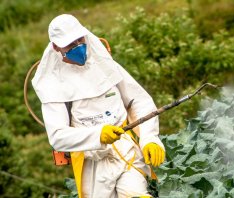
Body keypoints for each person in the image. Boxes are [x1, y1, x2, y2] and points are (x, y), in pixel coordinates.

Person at [31, 14, 165, 198]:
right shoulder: (52, 83)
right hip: (93, 163)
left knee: (136, 194)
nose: (78, 46)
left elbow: (139, 100)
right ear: (56, 47)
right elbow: (57, 136)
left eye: (80, 39)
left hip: (126, 150)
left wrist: (149, 138)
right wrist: (98, 135)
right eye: (70, 44)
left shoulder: (103, 62)